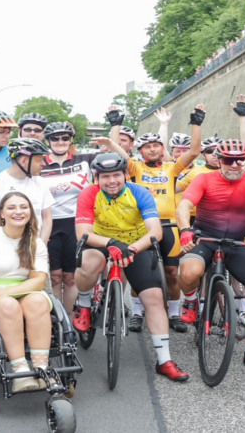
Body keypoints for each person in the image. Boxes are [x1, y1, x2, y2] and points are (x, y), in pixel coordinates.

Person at [73, 153, 189, 382]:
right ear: (97, 178)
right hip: (101, 243)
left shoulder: (139, 192)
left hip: (137, 245)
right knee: (88, 264)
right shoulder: (89, 194)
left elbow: (155, 231)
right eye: (105, 177)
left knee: (155, 298)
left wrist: (132, 249)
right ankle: (84, 303)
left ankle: (164, 360)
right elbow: (83, 234)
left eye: (117, 175)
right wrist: (111, 244)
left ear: (126, 174)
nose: (112, 181)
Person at [176, 140, 245, 371]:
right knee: (190, 272)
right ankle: (189, 300)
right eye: (228, 160)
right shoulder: (204, 178)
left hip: (236, 244)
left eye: (240, 160)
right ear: (219, 160)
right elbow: (184, 206)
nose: (235, 165)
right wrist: (185, 230)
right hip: (204, 238)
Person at [111, 105, 204, 333]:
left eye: (156, 146)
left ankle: (174, 313)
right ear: (141, 151)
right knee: (142, 272)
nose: (152, 150)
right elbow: (115, 151)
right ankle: (136, 313)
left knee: (173, 273)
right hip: (142, 227)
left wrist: (196, 123)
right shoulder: (135, 167)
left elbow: (194, 151)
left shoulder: (172, 167)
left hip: (169, 225)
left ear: (162, 149)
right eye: (147, 147)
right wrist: (115, 124)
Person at [0, 192, 53, 392]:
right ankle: (20, 371)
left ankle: (42, 368)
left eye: (24, 207)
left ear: (31, 212)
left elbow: (39, 280)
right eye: (12, 207)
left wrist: (6, 291)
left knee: (38, 302)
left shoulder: (35, 242)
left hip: (25, 288)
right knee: (9, 305)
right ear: (2, 214)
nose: (19, 211)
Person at [39, 122, 98, 314]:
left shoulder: (84, 160)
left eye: (65, 138)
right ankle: (57, 321)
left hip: (76, 223)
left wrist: (115, 126)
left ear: (71, 139)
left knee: (71, 277)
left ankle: (70, 324)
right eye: (55, 138)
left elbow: (125, 161)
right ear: (48, 141)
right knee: (55, 276)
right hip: (49, 223)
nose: (60, 141)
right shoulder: (40, 164)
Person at [0, 138, 55, 245]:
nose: (44, 164)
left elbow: (47, 218)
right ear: (24, 161)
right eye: (39, 160)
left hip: (35, 248)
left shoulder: (41, 182)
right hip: (8, 248)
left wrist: (41, 246)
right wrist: (13, 247)